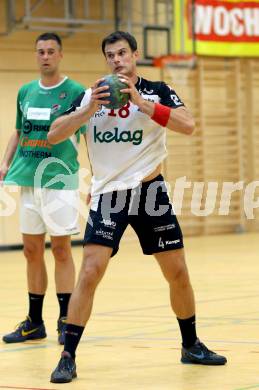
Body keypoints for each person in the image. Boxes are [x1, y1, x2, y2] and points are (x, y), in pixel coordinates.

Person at [48, 31, 227, 383]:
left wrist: (142, 104)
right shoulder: (91, 95)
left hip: (150, 193)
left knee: (177, 272)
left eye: (122, 53)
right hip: (109, 194)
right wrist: (87, 111)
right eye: (110, 55)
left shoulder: (156, 91)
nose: (117, 60)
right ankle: (68, 354)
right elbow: (53, 134)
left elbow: (188, 125)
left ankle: (190, 345)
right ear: (106, 60)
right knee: (89, 272)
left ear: (134, 55)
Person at [0, 32, 87, 345]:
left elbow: (87, 135)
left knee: (61, 249)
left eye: (51, 51)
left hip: (59, 181)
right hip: (27, 180)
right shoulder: (25, 91)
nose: (46, 56)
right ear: (35, 55)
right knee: (31, 250)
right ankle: (34, 322)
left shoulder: (76, 92)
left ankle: (66, 319)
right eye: (41, 51)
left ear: (61, 55)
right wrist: (5, 162)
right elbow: (18, 131)